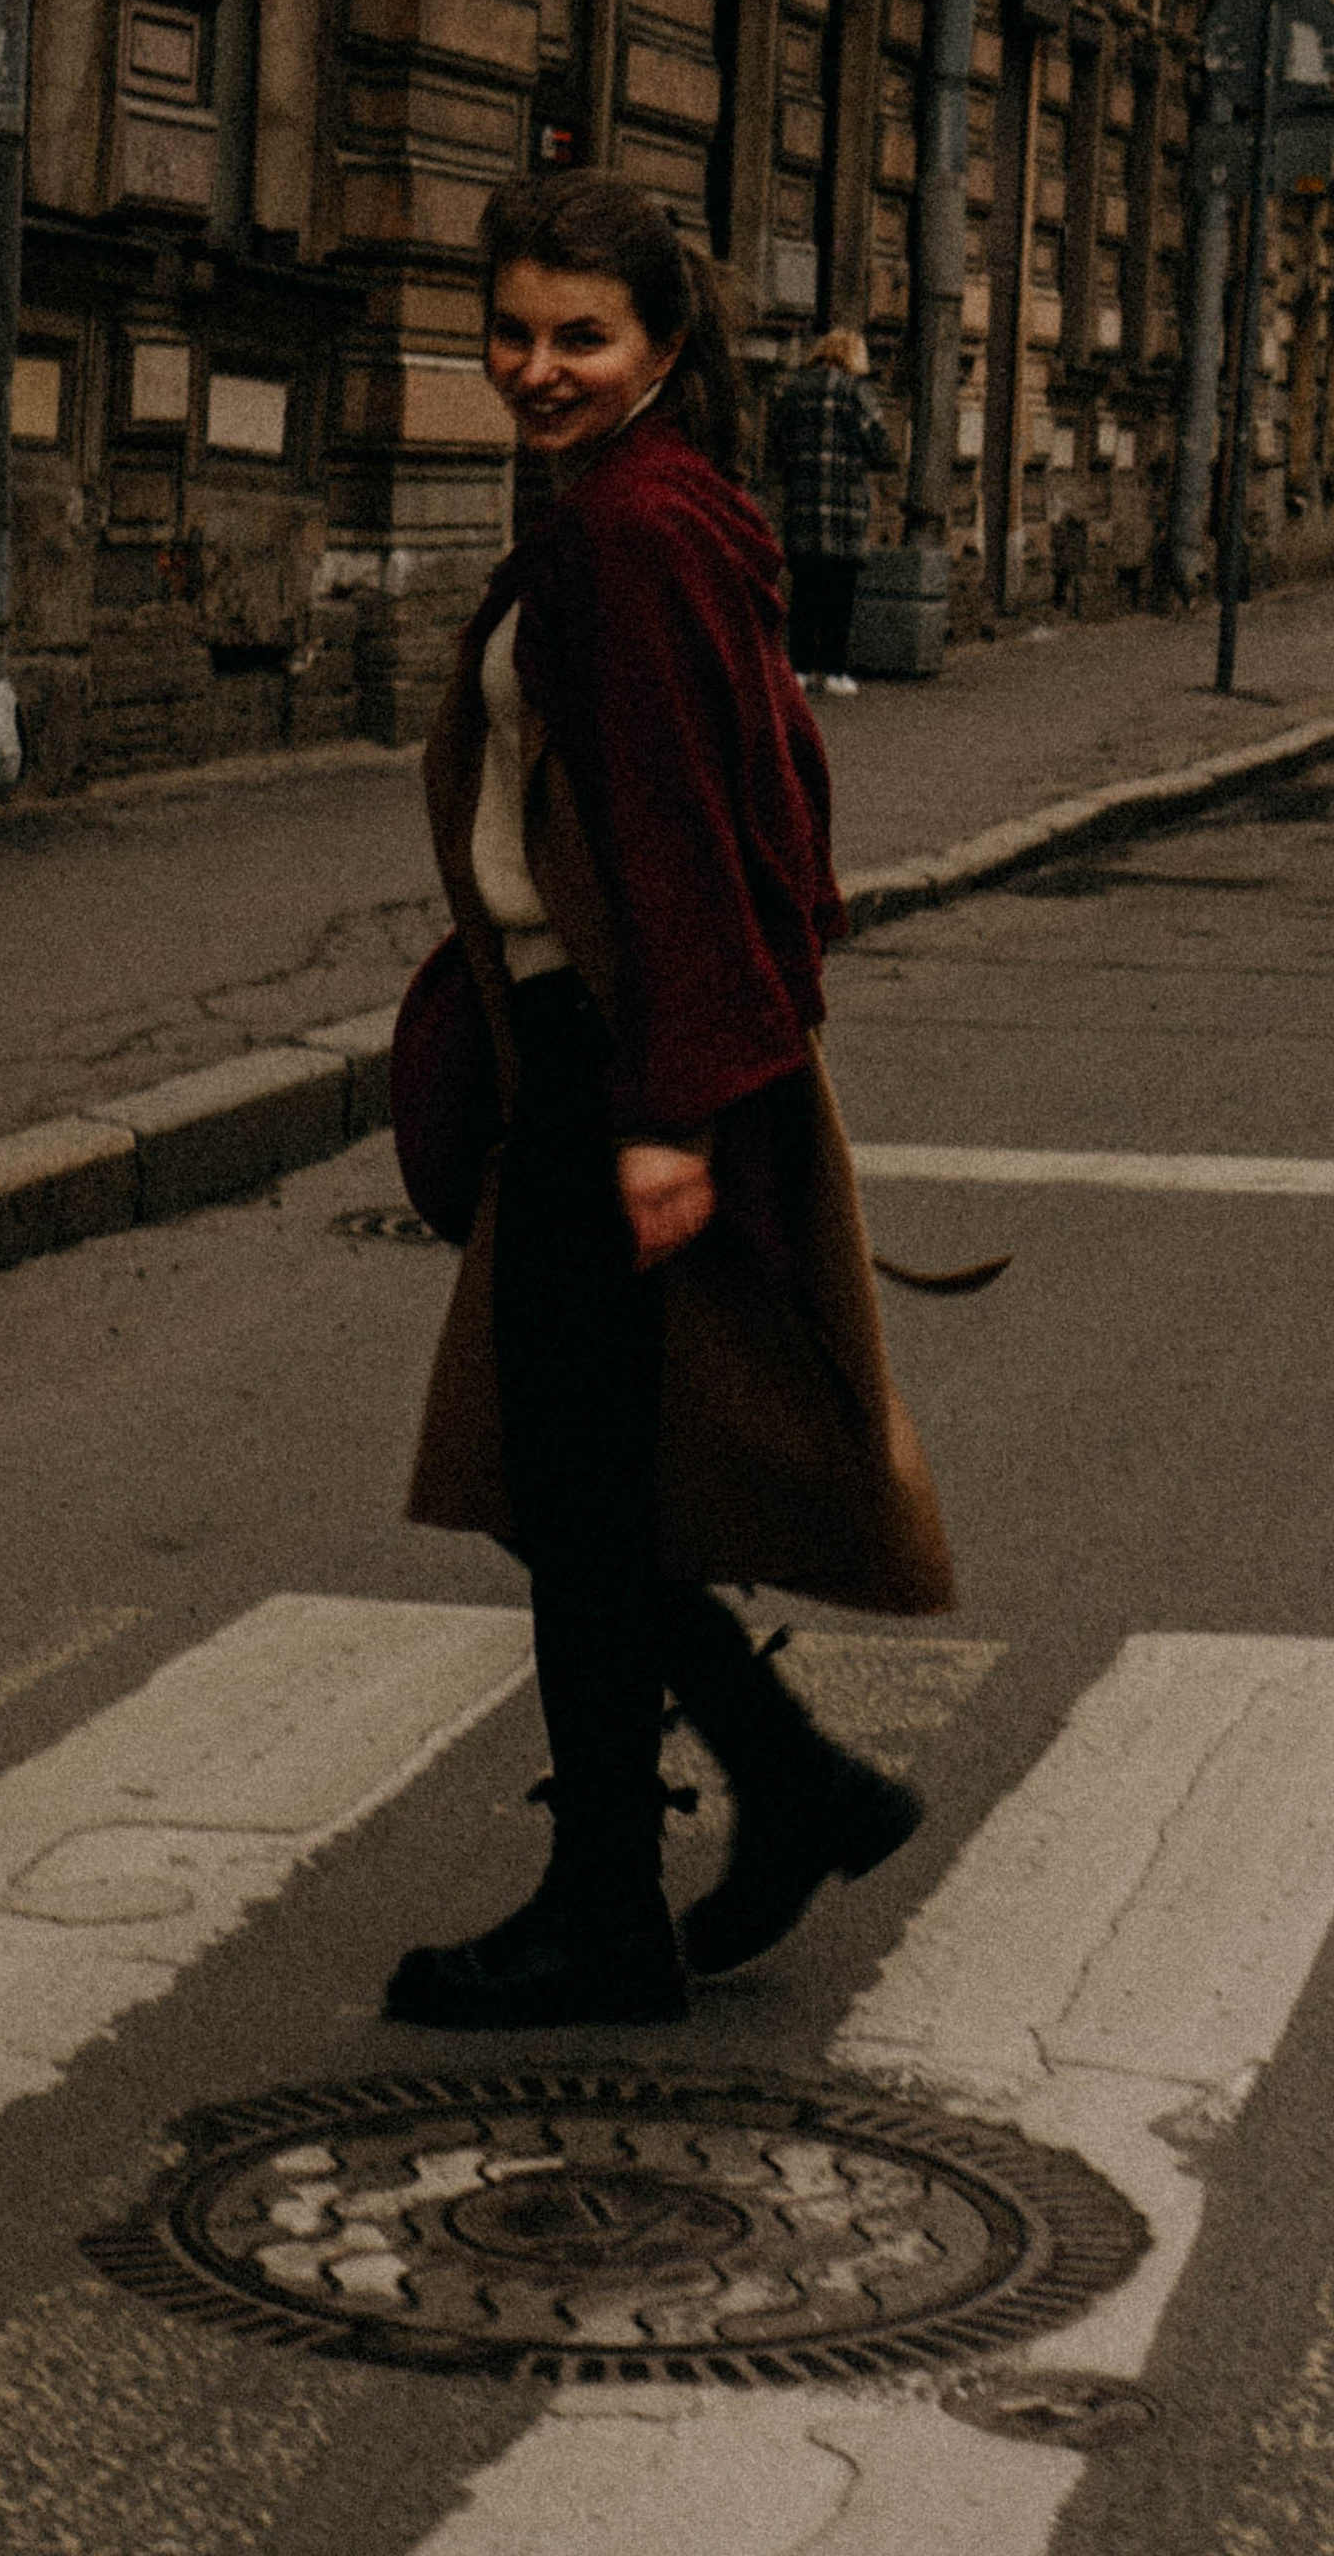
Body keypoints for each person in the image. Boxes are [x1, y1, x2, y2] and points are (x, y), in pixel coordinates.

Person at [389, 172, 955, 2031]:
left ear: (662, 347)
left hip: (620, 1080)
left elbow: (693, 838)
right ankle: (787, 1794)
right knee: (593, 1496)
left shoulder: (630, 534)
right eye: (512, 332)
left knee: (577, 1497)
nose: (535, 368)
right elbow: (764, 802)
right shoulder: (653, 505)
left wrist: (669, 1117)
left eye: (581, 338)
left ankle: (614, 1907)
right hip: (619, 1064)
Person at [768, 324, 894, 695]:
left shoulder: (794, 389)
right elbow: (880, 445)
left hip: (804, 505)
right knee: (840, 593)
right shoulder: (858, 393)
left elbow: (775, 444)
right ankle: (834, 670)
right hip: (844, 510)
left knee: (804, 589)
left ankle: (800, 667)